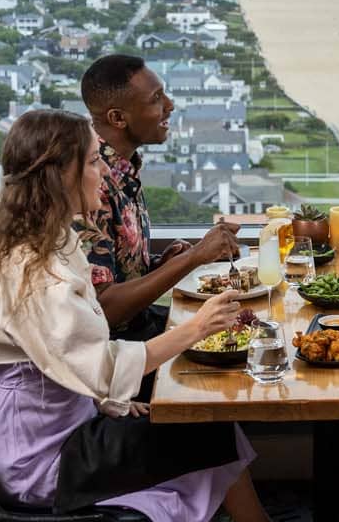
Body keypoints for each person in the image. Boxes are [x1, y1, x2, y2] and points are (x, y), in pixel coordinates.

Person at [0, 108, 326, 522]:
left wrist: (114, 407)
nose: (102, 173)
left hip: (57, 429)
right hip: (42, 461)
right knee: (202, 433)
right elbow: (98, 365)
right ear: (62, 175)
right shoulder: (36, 273)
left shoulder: (41, 242)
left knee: (203, 428)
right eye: (92, 163)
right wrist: (195, 328)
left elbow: (68, 361)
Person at [80, 54, 241, 340]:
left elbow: (116, 274)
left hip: (140, 328)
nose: (170, 105)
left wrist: (160, 263)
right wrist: (193, 257)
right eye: (156, 99)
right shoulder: (90, 184)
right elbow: (102, 308)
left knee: (243, 324)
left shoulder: (124, 168)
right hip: (113, 353)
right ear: (118, 118)